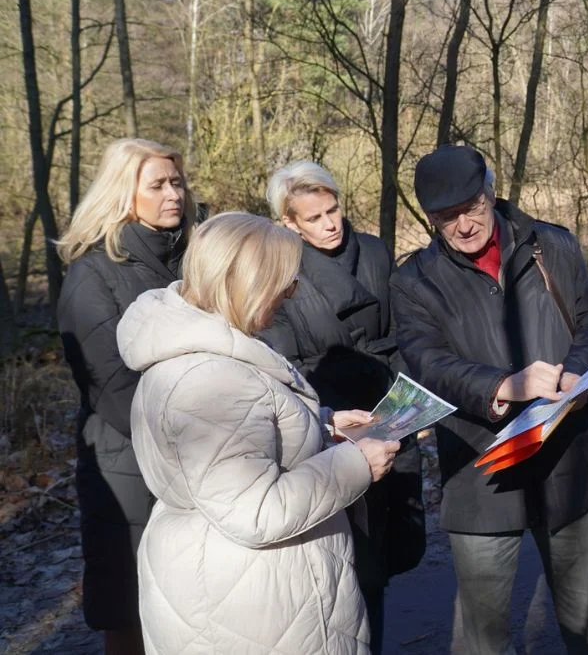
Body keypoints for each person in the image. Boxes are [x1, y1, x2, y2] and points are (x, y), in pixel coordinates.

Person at [115, 212, 400, 654]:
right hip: (253, 603)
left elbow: (247, 437)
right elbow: (256, 509)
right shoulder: (210, 380)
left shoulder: (204, 350)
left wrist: (321, 421)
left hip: (234, 584)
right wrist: (357, 463)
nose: (292, 293)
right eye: (283, 282)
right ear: (246, 281)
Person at [390, 145, 588, 655]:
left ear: (491, 193)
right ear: (430, 220)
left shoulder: (553, 246)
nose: (465, 224)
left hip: (566, 465)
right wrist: (502, 386)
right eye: (447, 218)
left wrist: (576, 372)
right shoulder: (413, 282)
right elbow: (427, 364)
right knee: (484, 639)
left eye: (472, 207)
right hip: (482, 475)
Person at [259, 161, 425, 654]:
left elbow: (403, 332)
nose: (331, 224)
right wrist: (325, 414)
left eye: (334, 210)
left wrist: (410, 399)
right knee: (347, 565)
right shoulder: (279, 269)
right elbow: (282, 365)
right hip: (327, 425)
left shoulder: (373, 251)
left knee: (388, 550)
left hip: (390, 409)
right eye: (314, 217)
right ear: (289, 223)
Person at [56, 138, 196, 654]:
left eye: (176, 182)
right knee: (132, 617)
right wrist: (201, 426)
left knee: (194, 613)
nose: (173, 194)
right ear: (122, 194)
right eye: (157, 185)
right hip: (129, 468)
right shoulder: (90, 275)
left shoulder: (193, 260)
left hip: (203, 457)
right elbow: (112, 386)